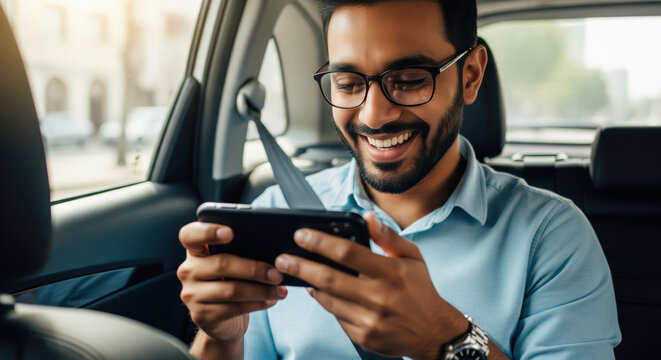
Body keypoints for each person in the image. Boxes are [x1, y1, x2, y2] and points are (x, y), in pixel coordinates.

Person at [176, 1, 621, 359]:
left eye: (408, 80)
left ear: (470, 76)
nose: (374, 115)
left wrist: (444, 338)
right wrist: (222, 338)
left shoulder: (551, 235)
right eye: (349, 83)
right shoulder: (277, 212)